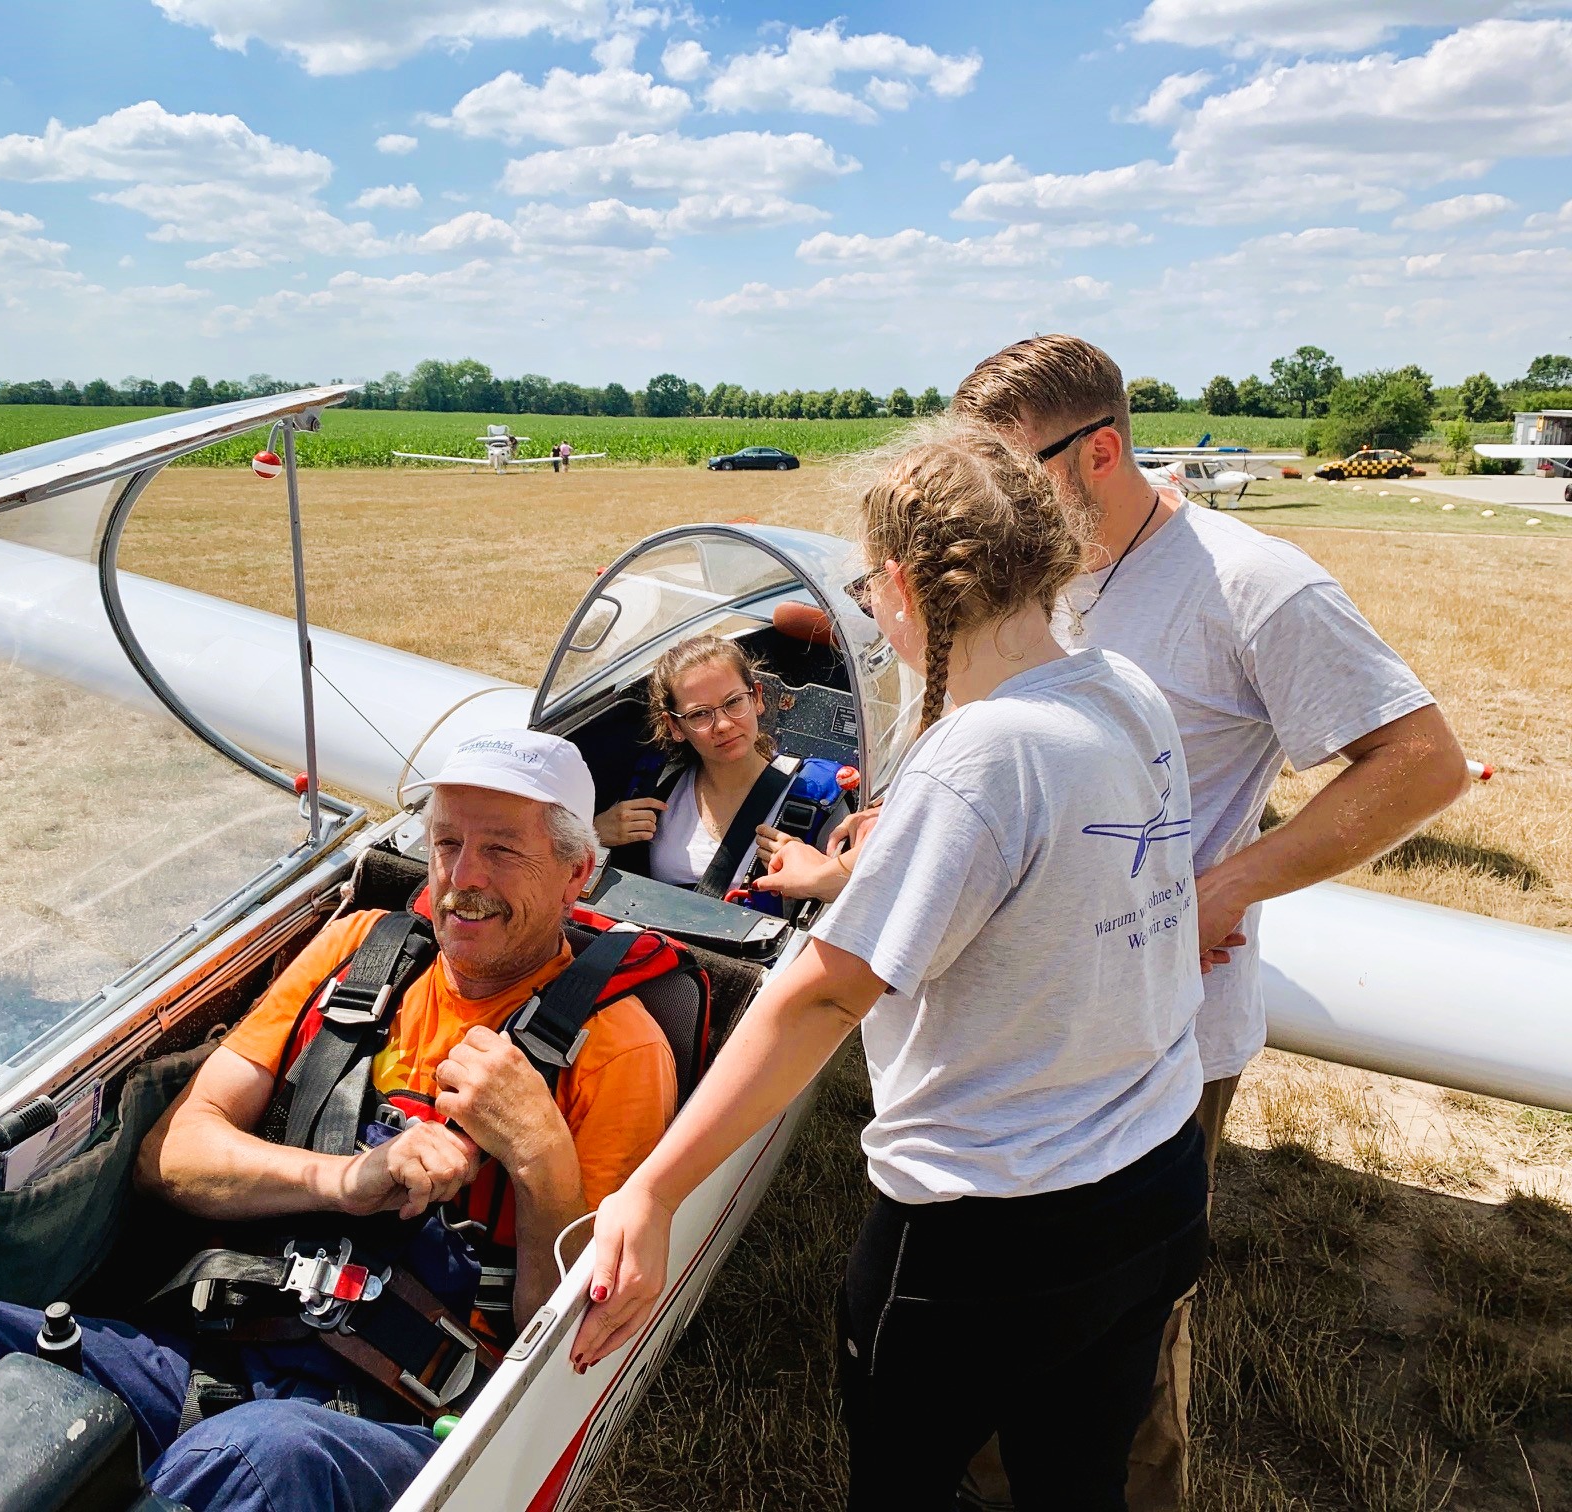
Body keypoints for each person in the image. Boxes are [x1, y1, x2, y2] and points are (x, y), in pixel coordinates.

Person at [573, 424, 1210, 1511]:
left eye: (871, 586)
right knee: (1078, 1486)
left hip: (994, 1228)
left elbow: (824, 996)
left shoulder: (981, 754)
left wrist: (653, 1190)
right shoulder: (1122, 688)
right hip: (1156, 1178)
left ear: (906, 584)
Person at [0, 730, 678, 1512]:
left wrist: (539, 1155)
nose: (464, 878)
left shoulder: (618, 1050)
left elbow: (559, 1347)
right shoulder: (362, 952)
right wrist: (345, 1180)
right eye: (447, 843)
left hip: (402, 1411)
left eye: (502, 850)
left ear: (577, 874)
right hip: (200, 1357)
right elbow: (171, 1156)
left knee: (254, 1461)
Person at [948, 335, 1469, 1509]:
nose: (990, 501)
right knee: (991, 1304)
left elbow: (1422, 761)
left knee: (1118, 1341)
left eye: (1013, 471)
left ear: (1101, 451)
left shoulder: (1252, 582)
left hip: (1159, 1030)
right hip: (1013, 1013)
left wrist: (1228, 887)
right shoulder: (1033, 567)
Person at [593, 634, 799, 892]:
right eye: (699, 714)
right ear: (674, 726)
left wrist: (816, 875)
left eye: (734, 702)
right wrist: (593, 835)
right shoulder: (654, 788)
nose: (723, 725)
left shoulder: (809, 799)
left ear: (756, 698)